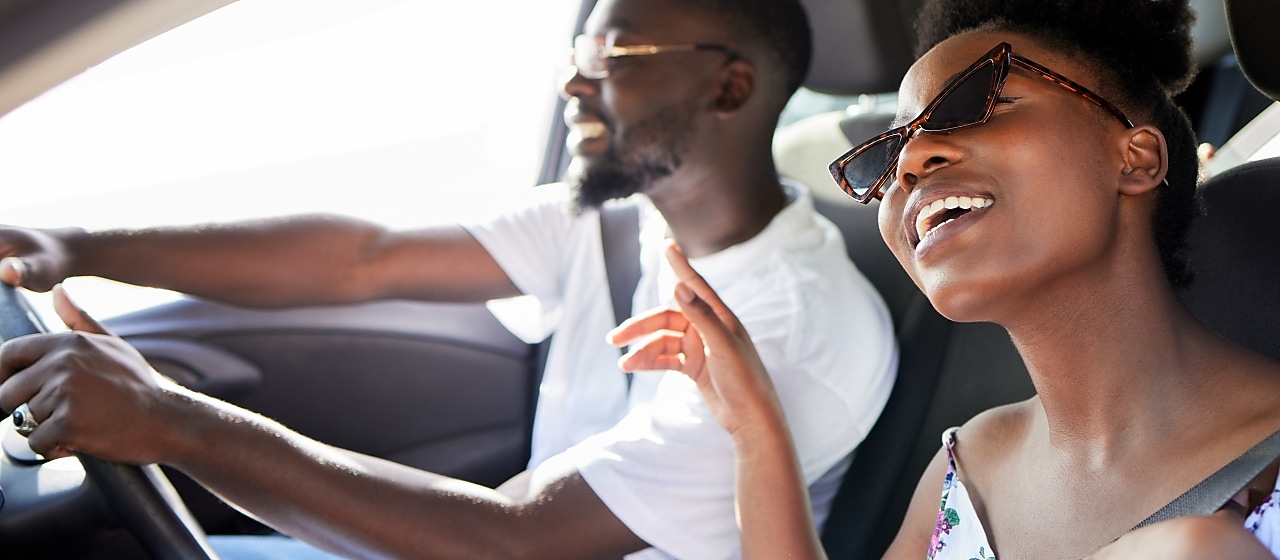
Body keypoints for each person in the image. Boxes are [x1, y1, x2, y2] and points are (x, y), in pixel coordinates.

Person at [0, 0, 898, 558]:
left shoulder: (792, 326)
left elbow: (516, 543)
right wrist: (71, 245)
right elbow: (362, 259)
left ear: (729, 89)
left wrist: (170, 421)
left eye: (608, 62)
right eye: (570, 61)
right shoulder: (617, 219)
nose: (572, 89)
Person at [608, 0, 1280, 558]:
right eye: (886, 153)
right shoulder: (969, 468)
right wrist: (754, 424)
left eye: (973, 101)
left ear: (1133, 159)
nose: (909, 162)